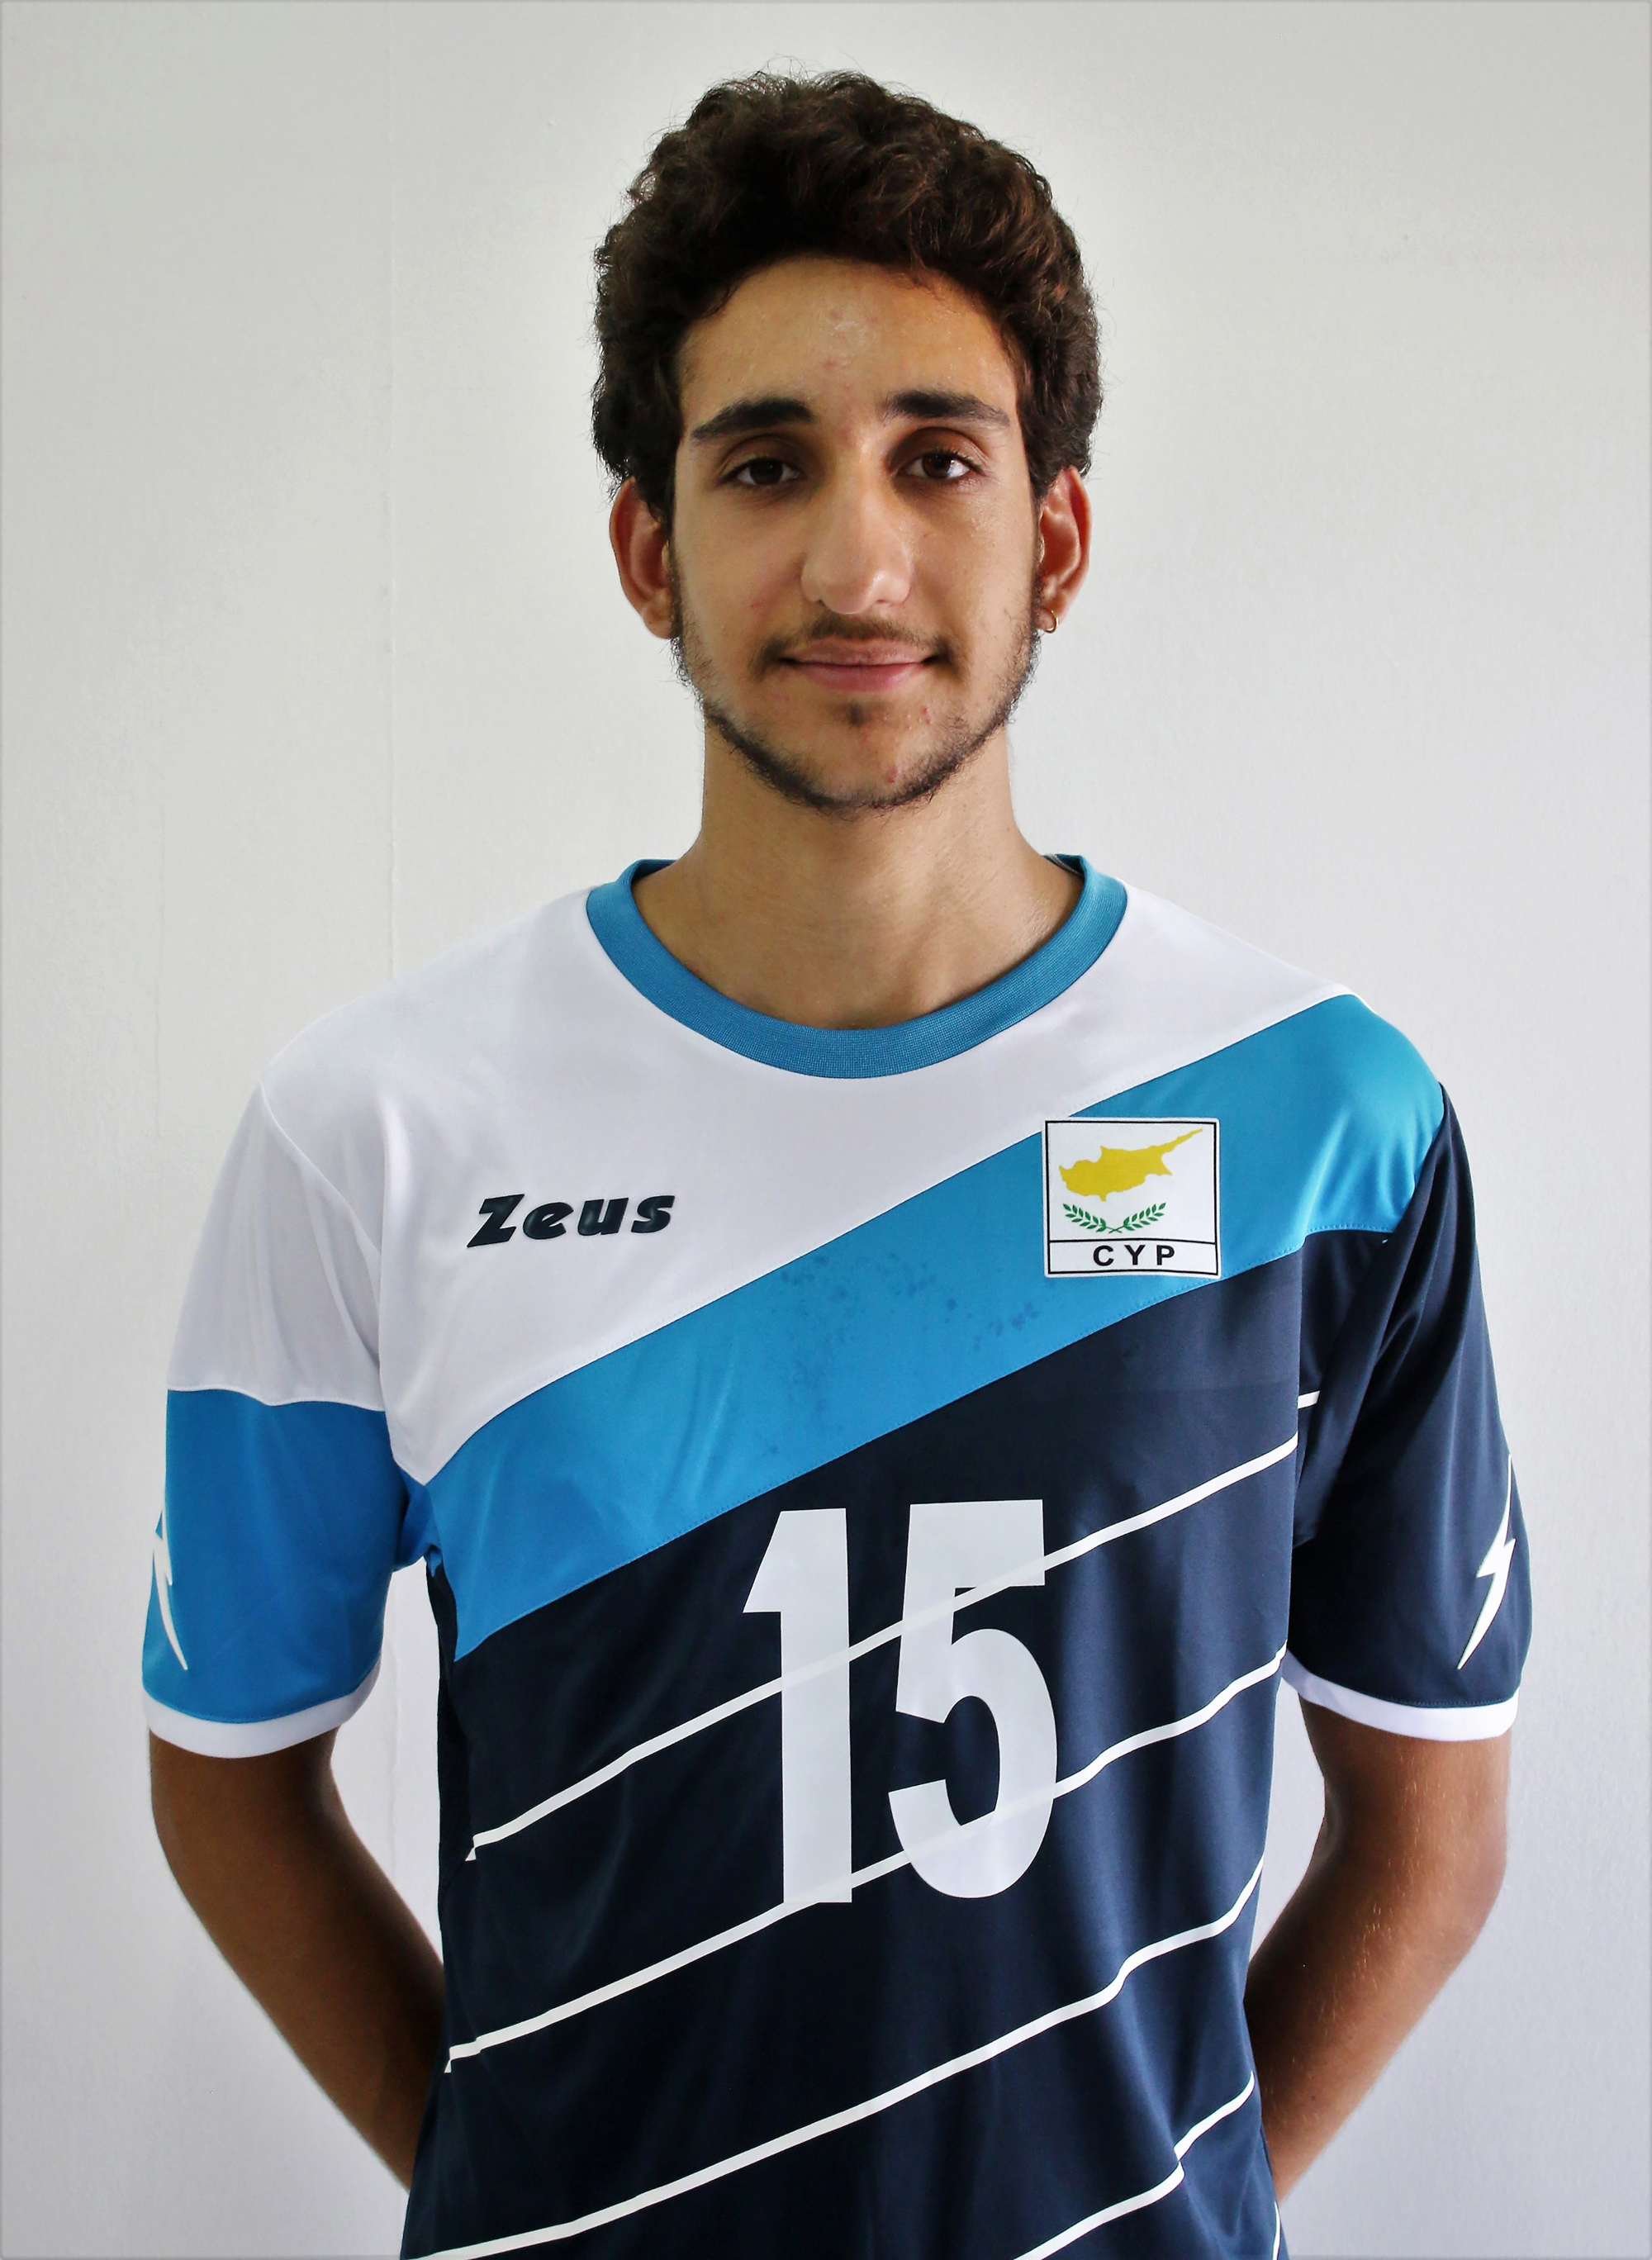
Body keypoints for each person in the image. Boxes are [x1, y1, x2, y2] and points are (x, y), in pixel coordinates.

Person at [145, 70, 1530, 2260]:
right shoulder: (375, 1131)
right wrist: (514, 2192)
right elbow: (230, 1778)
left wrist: (1174, 2207)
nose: (858, 561)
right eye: (766, 463)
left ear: (1054, 538)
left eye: (938, 459)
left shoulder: (1323, 1127)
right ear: (650, 549)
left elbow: (1432, 1827)